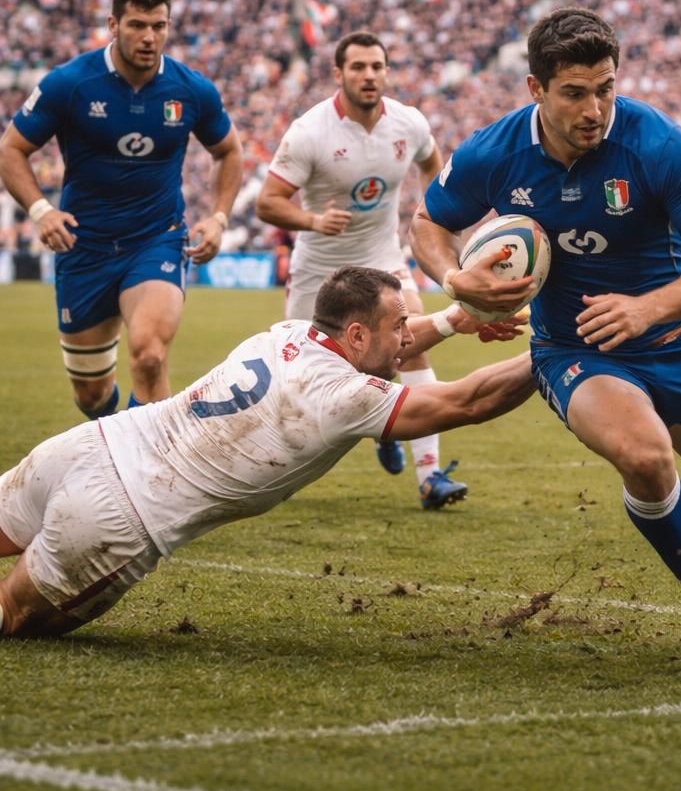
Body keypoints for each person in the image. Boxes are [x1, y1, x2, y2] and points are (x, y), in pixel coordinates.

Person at [411, 6, 681, 674]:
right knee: (645, 455)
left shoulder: (654, 141)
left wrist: (648, 309)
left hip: (677, 340)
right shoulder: (495, 152)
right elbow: (428, 224)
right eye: (575, 92)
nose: (595, 108)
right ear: (536, 91)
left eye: (606, 88)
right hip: (573, 348)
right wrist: (457, 281)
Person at [0, 267, 532, 638]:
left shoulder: (289, 332)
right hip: (117, 516)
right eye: (398, 327)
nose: (404, 340)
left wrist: (452, 320)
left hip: (88, 447)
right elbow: (471, 401)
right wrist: (550, 353)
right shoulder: (341, 397)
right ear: (354, 332)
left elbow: (381, 343)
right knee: (11, 618)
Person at [0, 0, 243, 417]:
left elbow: (228, 151)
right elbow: (12, 148)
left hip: (156, 238)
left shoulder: (191, 90)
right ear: (113, 24)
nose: (149, 37)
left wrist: (219, 217)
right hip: (83, 246)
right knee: (91, 397)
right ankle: (114, 437)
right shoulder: (69, 83)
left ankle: (149, 477)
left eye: (158, 26)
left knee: (150, 355)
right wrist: (40, 210)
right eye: (137, 25)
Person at [255, 31, 462, 509]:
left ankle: (431, 478)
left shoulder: (408, 124)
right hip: (319, 269)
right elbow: (269, 202)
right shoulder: (310, 132)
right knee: (298, 376)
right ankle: (272, 469)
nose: (368, 76)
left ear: (386, 72)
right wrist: (312, 220)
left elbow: (435, 167)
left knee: (408, 343)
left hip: (382, 256)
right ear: (338, 74)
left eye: (376, 67)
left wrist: (436, 213)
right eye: (358, 67)